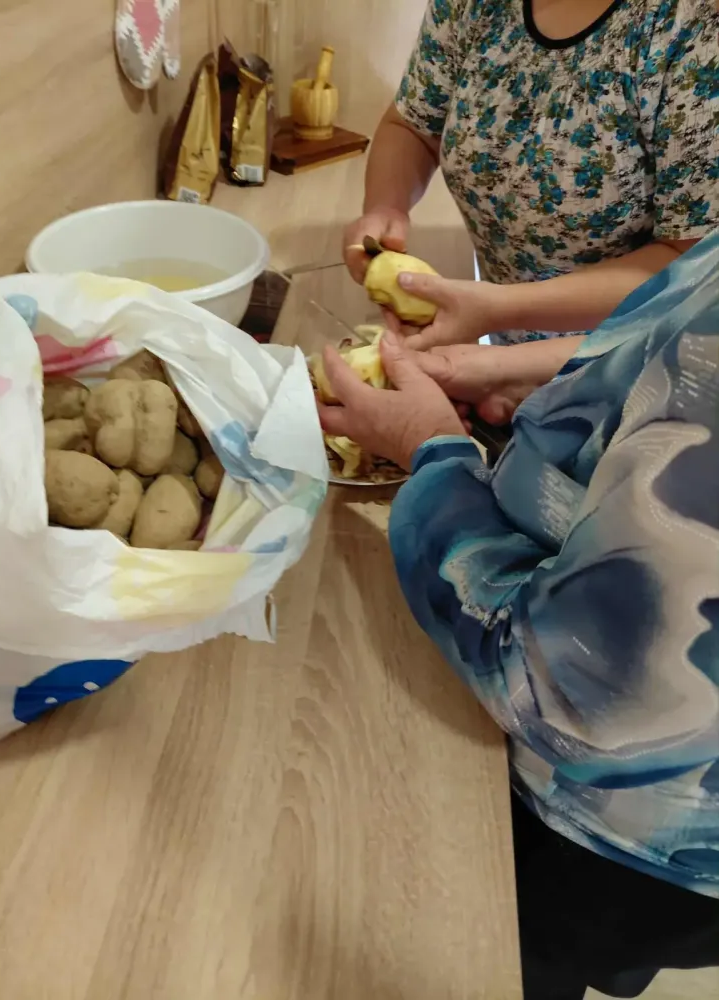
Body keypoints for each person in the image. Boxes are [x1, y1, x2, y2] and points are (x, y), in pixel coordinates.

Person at [318, 234, 719, 998]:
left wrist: (433, 451)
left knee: (512, 958)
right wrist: (516, 371)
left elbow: (559, 683)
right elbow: (676, 341)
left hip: (614, 839)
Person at [344, 0, 719, 362]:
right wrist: (386, 206)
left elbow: (692, 264)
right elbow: (412, 125)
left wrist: (500, 310)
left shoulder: (688, 28)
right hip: (502, 368)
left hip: (637, 378)